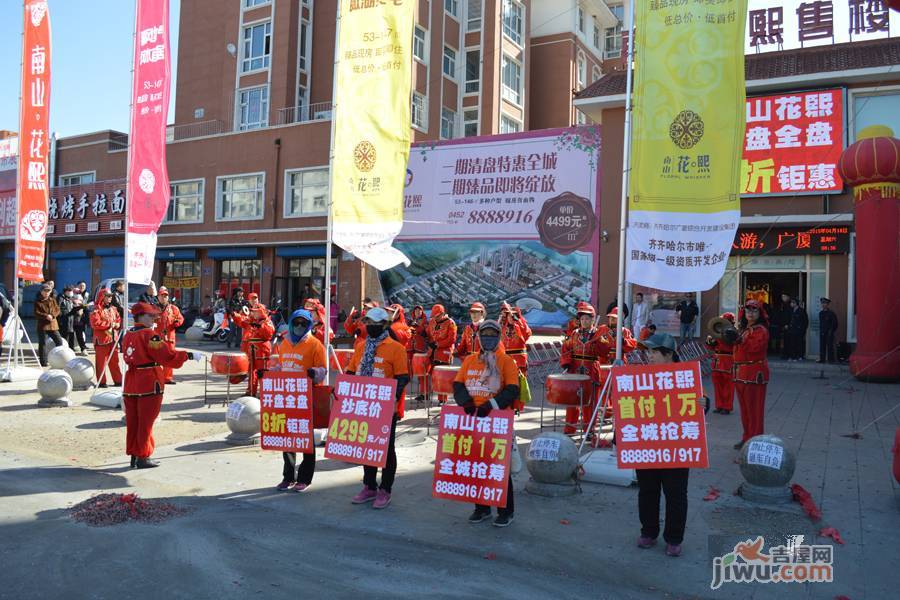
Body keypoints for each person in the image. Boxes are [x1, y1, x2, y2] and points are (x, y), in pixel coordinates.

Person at [453, 320, 521, 527]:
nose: (488, 338)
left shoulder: (506, 361)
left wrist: (490, 405)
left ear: (499, 337)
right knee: (476, 465)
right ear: (479, 338)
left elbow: (512, 389)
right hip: (474, 420)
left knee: (499, 467)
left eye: (493, 334)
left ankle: (505, 511)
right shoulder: (470, 360)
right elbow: (458, 383)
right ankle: (481, 508)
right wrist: (465, 401)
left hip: (496, 420)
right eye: (485, 335)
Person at [346, 307, 410, 509]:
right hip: (363, 404)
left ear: (384, 325)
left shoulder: (395, 348)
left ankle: (385, 489)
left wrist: (394, 399)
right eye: (368, 323)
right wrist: (341, 390)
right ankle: (370, 486)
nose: (371, 326)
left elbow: (402, 377)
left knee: (387, 448)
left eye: (375, 323)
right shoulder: (362, 346)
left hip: (384, 406)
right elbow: (350, 371)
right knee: (366, 446)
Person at [634, 332, 689, 557]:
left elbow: (698, 403)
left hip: (676, 446)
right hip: (648, 444)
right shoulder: (641, 377)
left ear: (668, 354)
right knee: (647, 490)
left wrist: (704, 403)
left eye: (654, 351)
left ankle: (674, 538)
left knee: (675, 493)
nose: (649, 356)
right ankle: (649, 531)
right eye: (648, 351)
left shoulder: (686, 376)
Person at [122, 302, 197, 468]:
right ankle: (143, 456)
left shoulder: (128, 334)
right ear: (140, 316)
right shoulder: (150, 335)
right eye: (150, 316)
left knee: (133, 422)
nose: (154, 319)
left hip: (131, 382)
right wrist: (188, 355)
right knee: (146, 422)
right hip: (149, 381)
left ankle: (134, 454)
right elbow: (166, 356)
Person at [270, 309, 327, 492]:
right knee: (287, 439)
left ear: (309, 325)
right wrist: (273, 373)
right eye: (297, 323)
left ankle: (304, 478)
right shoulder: (285, 343)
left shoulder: (315, 344)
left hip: (305, 398)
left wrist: (315, 373)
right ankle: (288, 477)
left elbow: (323, 370)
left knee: (305, 439)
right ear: (292, 323)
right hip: (286, 398)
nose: (300, 327)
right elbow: (281, 365)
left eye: (304, 324)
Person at [559, 302, 612, 435]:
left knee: (590, 403)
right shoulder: (574, 334)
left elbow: (605, 351)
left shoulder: (598, 334)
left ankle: (589, 431)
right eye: (582, 319)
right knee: (572, 401)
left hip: (591, 370)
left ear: (593, 319)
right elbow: (566, 349)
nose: (584, 321)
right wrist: (566, 363)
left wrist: (599, 340)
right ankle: (570, 429)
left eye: (587, 318)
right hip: (575, 370)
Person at [733, 300, 770, 449]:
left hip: (754, 374)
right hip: (740, 374)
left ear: (759, 313)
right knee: (745, 411)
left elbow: (754, 348)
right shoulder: (744, 329)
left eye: (754, 310)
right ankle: (747, 437)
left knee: (754, 411)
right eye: (748, 310)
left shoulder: (761, 330)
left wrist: (739, 340)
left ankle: (755, 441)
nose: (750, 312)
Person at [231, 293, 275, 397]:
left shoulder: (266, 321)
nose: (254, 313)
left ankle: (266, 394)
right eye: (253, 312)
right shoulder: (251, 320)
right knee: (251, 371)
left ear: (261, 312)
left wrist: (260, 326)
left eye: (256, 312)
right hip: (251, 348)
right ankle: (251, 391)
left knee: (263, 372)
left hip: (262, 349)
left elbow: (269, 334)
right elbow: (242, 321)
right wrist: (234, 314)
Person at [90, 288, 122, 387]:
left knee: (115, 361)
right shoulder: (96, 309)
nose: (110, 298)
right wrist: (110, 324)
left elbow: (118, 319)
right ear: (102, 297)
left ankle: (118, 380)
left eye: (111, 296)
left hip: (113, 338)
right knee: (101, 362)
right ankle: (101, 382)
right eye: (108, 296)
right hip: (101, 340)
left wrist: (117, 324)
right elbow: (95, 323)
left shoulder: (113, 308)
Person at [705, 312, 736, 415]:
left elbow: (733, 345)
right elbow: (710, 347)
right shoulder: (717, 331)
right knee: (717, 385)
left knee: (728, 385)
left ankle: (727, 407)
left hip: (727, 360)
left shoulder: (733, 332)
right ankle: (719, 406)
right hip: (717, 360)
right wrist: (710, 341)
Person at [426, 304, 457, 404]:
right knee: (434, 375)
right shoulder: (431, 321)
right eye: (434, 316)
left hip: (445, 353)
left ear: (443, 314)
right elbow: (428, 333)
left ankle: (443, 399)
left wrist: (438, 344)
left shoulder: (451, 323)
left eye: (437, 316)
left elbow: (451, 339)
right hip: (433, 353)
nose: (435, 318)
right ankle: (435, 394)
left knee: (443, 377)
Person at [155, 287, 184, 384]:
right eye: (162, 296)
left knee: (170, 358)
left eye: (165, 296)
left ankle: (167, 378)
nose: (164, 298)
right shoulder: (153, 308)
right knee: (156, 358)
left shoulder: (173, 308)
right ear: (158, 297)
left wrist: (177, 323)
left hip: (169, 338)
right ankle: (157, 377)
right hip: (156, 338)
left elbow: (180, 319)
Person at [34, 284, 62, 367]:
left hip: (53, 324)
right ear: (41, 291)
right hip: (42, 326)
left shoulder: (52, 300)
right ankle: (43, 361)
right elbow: (36, 313)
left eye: (48, 291)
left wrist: (53, 316)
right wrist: (46, 316)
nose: (46, 292)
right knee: (42, 343)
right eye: (45, 291)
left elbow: (57, 309)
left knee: (59, 341)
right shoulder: (37, 301)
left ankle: (59, 359)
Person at [406, 305, 429, 402]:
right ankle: (402, 393)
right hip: (411, 349)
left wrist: (418, 327)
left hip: (420, 349)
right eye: (416, 310)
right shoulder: (410, 321)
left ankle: (424, 394)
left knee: (422, 373)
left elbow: (427, 333)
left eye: (419, 310)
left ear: (422, 312)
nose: (418, 312)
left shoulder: (426, 322)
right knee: (407, 372)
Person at [818, 298, 838, 364]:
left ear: (828, 304)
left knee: (830, 347)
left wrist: (831, 331)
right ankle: (822, 359)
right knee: (822, 346)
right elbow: (821, 323)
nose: (823, 305)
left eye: (825, 303)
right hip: (822, 332)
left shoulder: (831, 313)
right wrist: (821, 331)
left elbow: (835, 323)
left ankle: (831, 360)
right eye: (822, 303)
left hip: (829, 332)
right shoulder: (820, 313)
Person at [71, 283, 88, 355]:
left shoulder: (85, 295)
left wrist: (82, 309)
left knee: (79, 334)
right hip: (71, 318)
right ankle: (71, 349)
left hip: (79, 318)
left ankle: (83, 349)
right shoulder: (70, 297)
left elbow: (84, 305)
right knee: (71, 334)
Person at [775, 293, 792, 358]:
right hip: (782, 325)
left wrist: (788, 324)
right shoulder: (783, 305)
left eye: (784, 296)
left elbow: (790, 316)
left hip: (788, 325)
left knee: (788, 341)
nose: (783, 298)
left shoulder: (790, 305)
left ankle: (788, 354)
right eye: (782, 297)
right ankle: (784, 354)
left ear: (788, 297)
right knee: (783, 341)